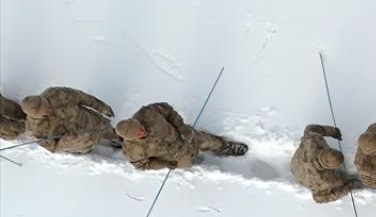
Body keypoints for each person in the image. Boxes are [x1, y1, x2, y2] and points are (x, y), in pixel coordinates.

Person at [116, 102, 248, 170]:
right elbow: (143, 165)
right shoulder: (132, 152)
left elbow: (168, 110)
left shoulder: (148, 112)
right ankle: (197, 160)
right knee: (189, 164)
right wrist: (166, 164)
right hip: (176, 157)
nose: (142, 132)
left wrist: (182, 128)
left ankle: (226, 146)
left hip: (185, 137)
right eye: (138, 135)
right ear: (130, 139)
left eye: (140, 128)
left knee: (210, 141)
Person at [20, 86, 119, 153]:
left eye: (47, 105)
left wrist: (102, 107)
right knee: (88, 142)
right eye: (46, 112)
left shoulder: (56, 93)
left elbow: (82, 97)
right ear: (36, 116)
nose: (50, 109)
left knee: (109, 130)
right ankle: (90, 147)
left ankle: (116, 138)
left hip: (90, 120)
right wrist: (66, 142)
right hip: (78, 139)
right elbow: (53, 148)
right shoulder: (35, 129)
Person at [290, 124, 361, 203]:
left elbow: (310, 128)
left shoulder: (311, 139)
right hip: (300, 175)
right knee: (340, 181)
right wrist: (348, 187)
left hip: (296, 162)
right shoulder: (323, 181)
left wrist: (331, 131)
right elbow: (319, 198)